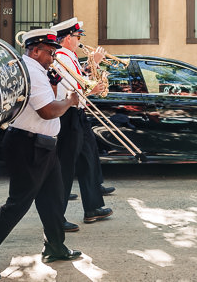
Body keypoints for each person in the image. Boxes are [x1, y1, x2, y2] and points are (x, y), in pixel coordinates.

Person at [0, 28, 82, 281]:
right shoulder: (32, 72)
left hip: (41, 142)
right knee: (18, 204)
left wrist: (56, 85)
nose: (54, 57)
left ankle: (55, 246)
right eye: (50, 52)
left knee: (53, 197)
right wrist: (71, 100)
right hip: (29, 144)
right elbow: (48, 111)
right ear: (35, 50)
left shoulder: (38, 71)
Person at [50, 18, 112, 232]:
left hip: (78, 113)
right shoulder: (60, 56)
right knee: (66, 166)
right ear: (67, 38)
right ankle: (56, 218)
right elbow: (72, 87)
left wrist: (92, 68)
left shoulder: (69, 55)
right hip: (67, 114)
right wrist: (92, 83)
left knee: (89, 159)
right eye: (77, 37)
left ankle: (93, 207)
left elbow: (80, 79)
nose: (79, 41)